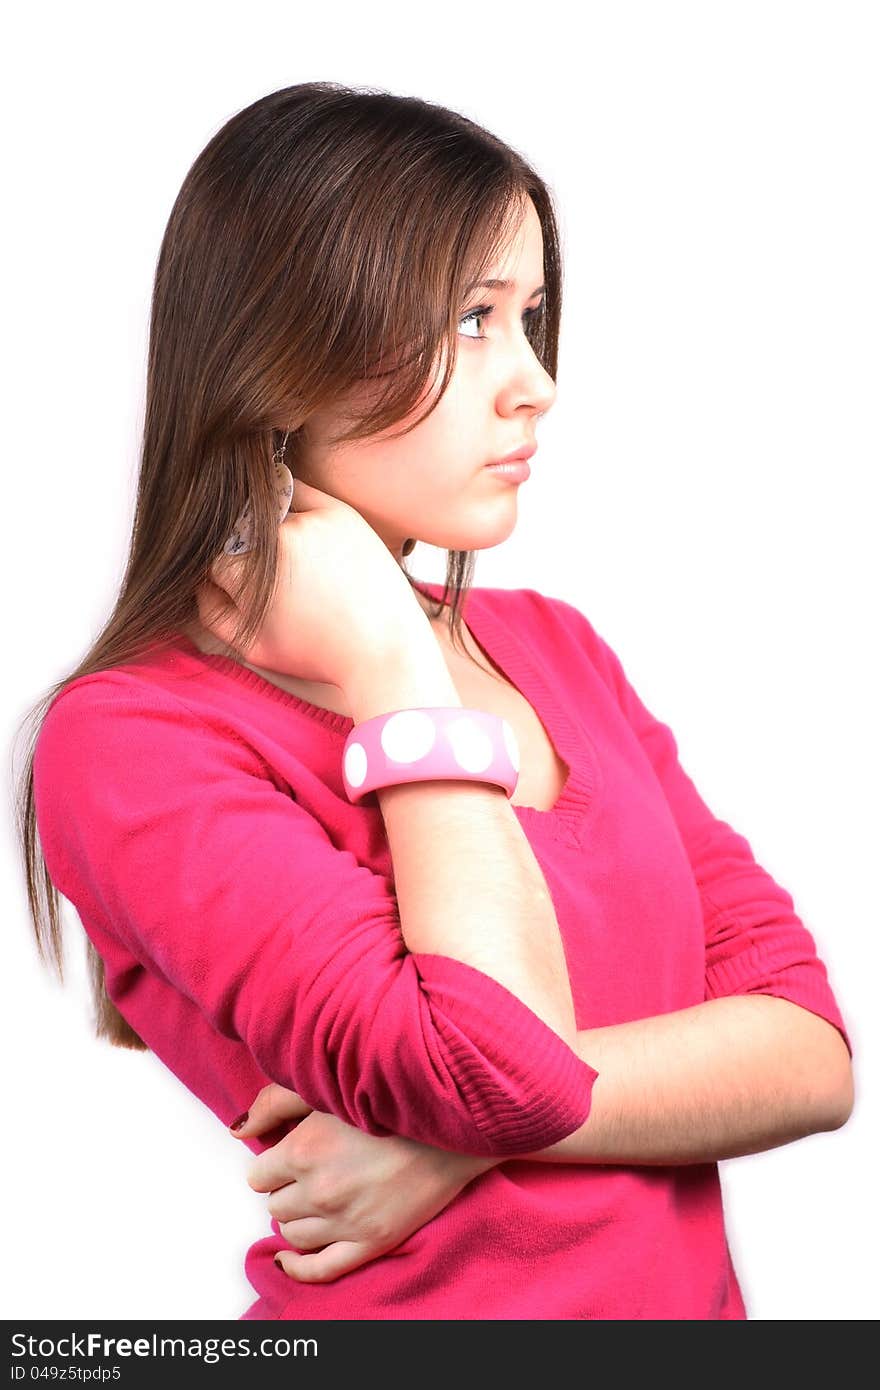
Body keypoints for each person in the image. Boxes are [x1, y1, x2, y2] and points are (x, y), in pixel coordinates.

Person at [17, 81, 853, 1322]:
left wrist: (453, 1138)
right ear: (279, 352)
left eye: (530, 317)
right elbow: (489, 1071)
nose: (533, 384)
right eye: (469, 319)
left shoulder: (556, 650)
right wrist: (392, 666)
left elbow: (807, 1049)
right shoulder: (132, 740)